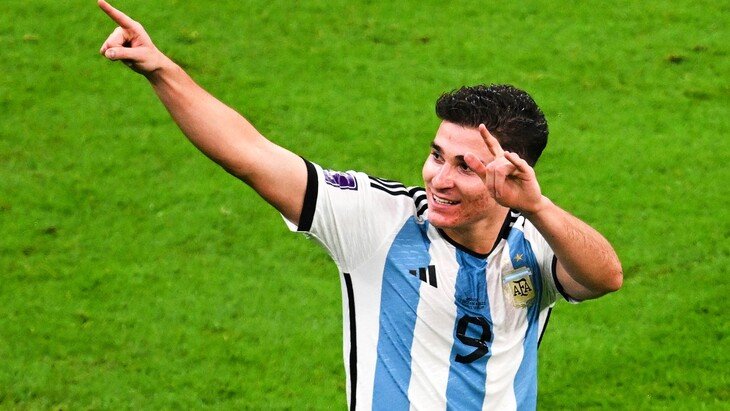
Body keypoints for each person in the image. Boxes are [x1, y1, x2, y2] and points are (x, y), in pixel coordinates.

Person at [97, 1, 623, 409]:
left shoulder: (535, 243)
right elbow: (250, 155)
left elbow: (606, 277)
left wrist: (539, 208)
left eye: (466, 167)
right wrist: (161, 69)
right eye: (436, 155)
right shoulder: (377, 221)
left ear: (510, 173)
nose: (439, 179)